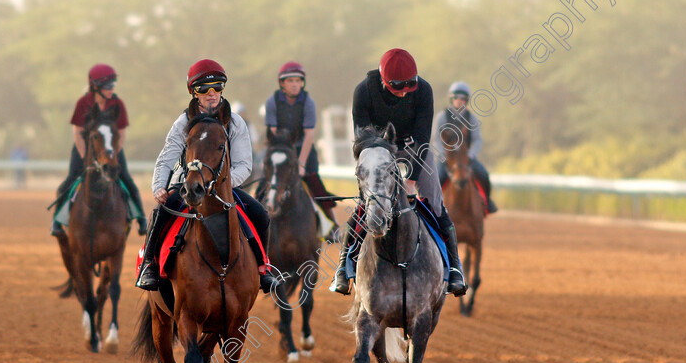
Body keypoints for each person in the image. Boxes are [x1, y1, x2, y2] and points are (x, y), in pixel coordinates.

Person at [135, 59, 283, 294]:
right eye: (204, 89)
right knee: (161, 211)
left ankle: (264, 269)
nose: (212, 94)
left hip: (222, 185)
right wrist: (159, 186)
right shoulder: (183, 122)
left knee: (260, 214)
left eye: (217, 87)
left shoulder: (235, 122)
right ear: (194, 93)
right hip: (187, 183)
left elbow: (244, 164)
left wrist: (220, 186)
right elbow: (166, 158)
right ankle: (149, 266)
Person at [329, 48, 467, 296]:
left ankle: (455, 268)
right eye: (398, 87)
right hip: (377, 150)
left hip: (416, 149)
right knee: (368, 202)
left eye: (409, 86)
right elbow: (362, 142)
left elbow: (424, 139)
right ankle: (343, 266)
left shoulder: (423, 90)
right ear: (383, 81)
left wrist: (411, 180)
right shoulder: (363, 92)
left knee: (435, 202)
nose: (404, 91)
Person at [50, 63, 148, 237]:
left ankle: (140, 217)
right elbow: (78, 133)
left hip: (111, 147)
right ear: (95, 86)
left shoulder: (118, 104)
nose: (112, 89)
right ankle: (57, 221)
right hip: (85, 149)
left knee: (126, 179)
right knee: (70, 181)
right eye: (108, 86)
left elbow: (121, 133)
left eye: (113, 86)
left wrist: (111, 155)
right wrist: (85, 158)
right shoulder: (83, 103)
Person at [259, 61, 340, 241]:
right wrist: (278, 150)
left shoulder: (308, 102)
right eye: (291, 81)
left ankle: (332, 225)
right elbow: (272, 133)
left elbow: (309, 135)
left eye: (298, 81)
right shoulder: (272, 102)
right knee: (263, 184)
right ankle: (253, 220)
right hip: (280, 148)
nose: (295, 84)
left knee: (314, 183)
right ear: (282, 84)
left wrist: (301, 163)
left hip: (304, 150)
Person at [432, 81, 498, 214]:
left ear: (466, 101)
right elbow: (435, 139)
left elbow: (477, 140)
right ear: (451, 99)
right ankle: (430, 207)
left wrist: (470, 155)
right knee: (436, 178)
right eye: (456, 97)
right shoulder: (442, 117)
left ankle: (488, 202)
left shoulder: (471, 118)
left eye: (463, 98)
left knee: (484, 175)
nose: (459, 101)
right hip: (446, 158)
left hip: (465, 159)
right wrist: (443, 156)